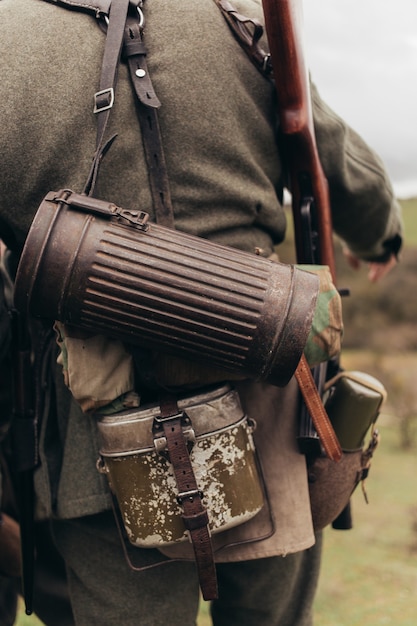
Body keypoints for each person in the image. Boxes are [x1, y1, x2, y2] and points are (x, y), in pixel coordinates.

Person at [0, 1, 402, 625]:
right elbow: (334, 160)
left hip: (96, 433)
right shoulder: (237, 12)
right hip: (268, 391)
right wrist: (380, 236)